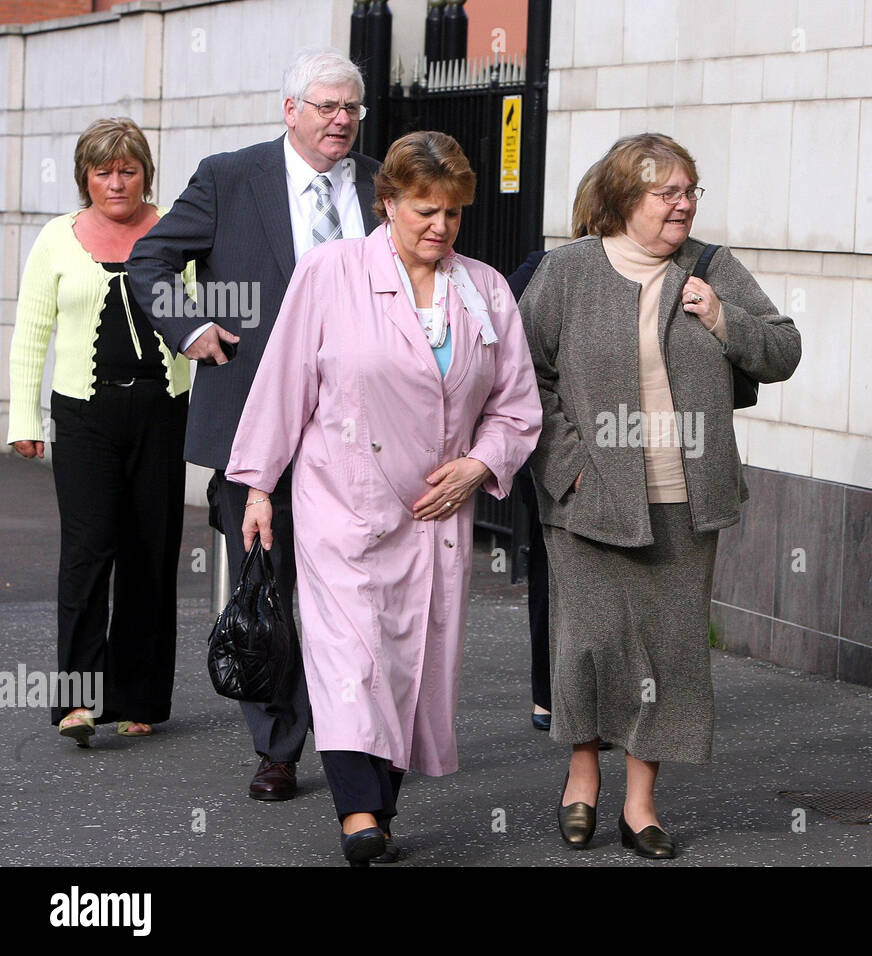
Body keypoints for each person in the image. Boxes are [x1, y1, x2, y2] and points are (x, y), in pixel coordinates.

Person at [229, 130, 541, 866]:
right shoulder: (330, 272)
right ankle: (358, 815)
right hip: (342, 501)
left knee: (409, 664)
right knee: (349, 658)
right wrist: (257, 488)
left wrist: (479, 465)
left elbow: (517, 406)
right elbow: (283, 384)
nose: (441, 228)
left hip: (435, 514)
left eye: (454, 214)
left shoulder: (486, 289)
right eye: (425, 211)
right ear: (388, 202)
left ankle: (382, 810)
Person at [520, 133, 801, 859]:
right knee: (587, 645)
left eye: (689, 191)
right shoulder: (567, 272)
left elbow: (784, 350)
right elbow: (525, 376)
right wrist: (567, 466)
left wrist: (722, 319)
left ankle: (640, 803)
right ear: (621, 201)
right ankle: (582, 776)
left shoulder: (710, 268)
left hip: (684, 498)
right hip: (588, 498)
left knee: (670, 657)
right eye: (665, 192)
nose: (682, 204)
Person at [128, 48, 382, 800]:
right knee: (266, 586)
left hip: (362, 426)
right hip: (254, 417)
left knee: (354, 588)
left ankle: (357, 738)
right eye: (327, 107)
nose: (341, 120)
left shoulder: (382, 184)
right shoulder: (229, 177)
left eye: (352, 109)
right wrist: (191, 325)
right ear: (290, 110)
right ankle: (278, 746)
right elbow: (149, 261)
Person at [8, 118, 190, 744]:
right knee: (88, 554)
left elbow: (203, 320)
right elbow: (31, 333)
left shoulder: (175, 232)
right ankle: (74, 702)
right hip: (83, 417)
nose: (117, 182)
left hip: (162, 412)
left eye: (129, 169)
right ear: (86, 177)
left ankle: (138, 696)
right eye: (104, 171)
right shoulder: (57, 239)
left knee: (152, 551)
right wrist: (23, 419)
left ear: (146, 172)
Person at [508, 162, 599, 735]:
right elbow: (510, 357)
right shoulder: (544, 270)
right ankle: (550, 693)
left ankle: (593, 697)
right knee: (553, 566)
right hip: (551, 446)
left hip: (623, 451)